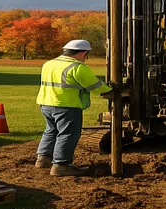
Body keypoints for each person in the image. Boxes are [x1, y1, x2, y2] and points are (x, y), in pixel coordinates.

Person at [35, 39, 113, 176]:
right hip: (67, 105)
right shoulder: (78, 67)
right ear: (83, 53)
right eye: (87, 56)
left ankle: (43, 159)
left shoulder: (49, 64)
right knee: (68, 134)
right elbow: (95, 87)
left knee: (51, 131)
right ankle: (61, 165)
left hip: (46, 103)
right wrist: (113, 90)